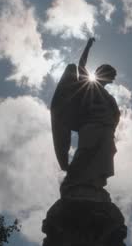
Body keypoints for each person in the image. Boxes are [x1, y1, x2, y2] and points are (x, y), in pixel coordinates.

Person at [50, 37, 120, 199]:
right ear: (102, 73)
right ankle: (71, 181)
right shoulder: (89, 85)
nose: (112, 79)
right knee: (85, 152)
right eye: (110, 75)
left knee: (104, 154)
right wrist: (88, 46)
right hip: (90, 125)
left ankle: (93, 182)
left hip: (106, 128)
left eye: (113, 77)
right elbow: (81, 65)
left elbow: (114, 114)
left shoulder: (108, 96)